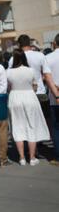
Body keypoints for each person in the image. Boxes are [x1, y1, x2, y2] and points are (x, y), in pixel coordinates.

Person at [7, 49, 50, 166]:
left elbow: (8, 88)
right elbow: (35, 87)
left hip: (14, 98)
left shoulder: (9, 72)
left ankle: (21, 158)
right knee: (32, 127)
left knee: (17, 127)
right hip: (29, 97)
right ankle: (32, 158)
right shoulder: (31, 71)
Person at [8, 35, 59, 134]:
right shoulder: (40, 55)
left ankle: (30, 143)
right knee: (44, 120)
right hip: (40, 93)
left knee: (26, 121)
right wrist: (55, 93)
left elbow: (10, 79)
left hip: (22, 95)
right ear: (30, 43)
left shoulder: (13, 58)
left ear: (19, 44)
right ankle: (43, 139)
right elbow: (47, 76)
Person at [46, 34, 59, 166]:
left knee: (56, 127)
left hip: (55, 97)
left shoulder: (48, 58)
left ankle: (58, 156)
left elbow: (46, 78)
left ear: (54, 43)